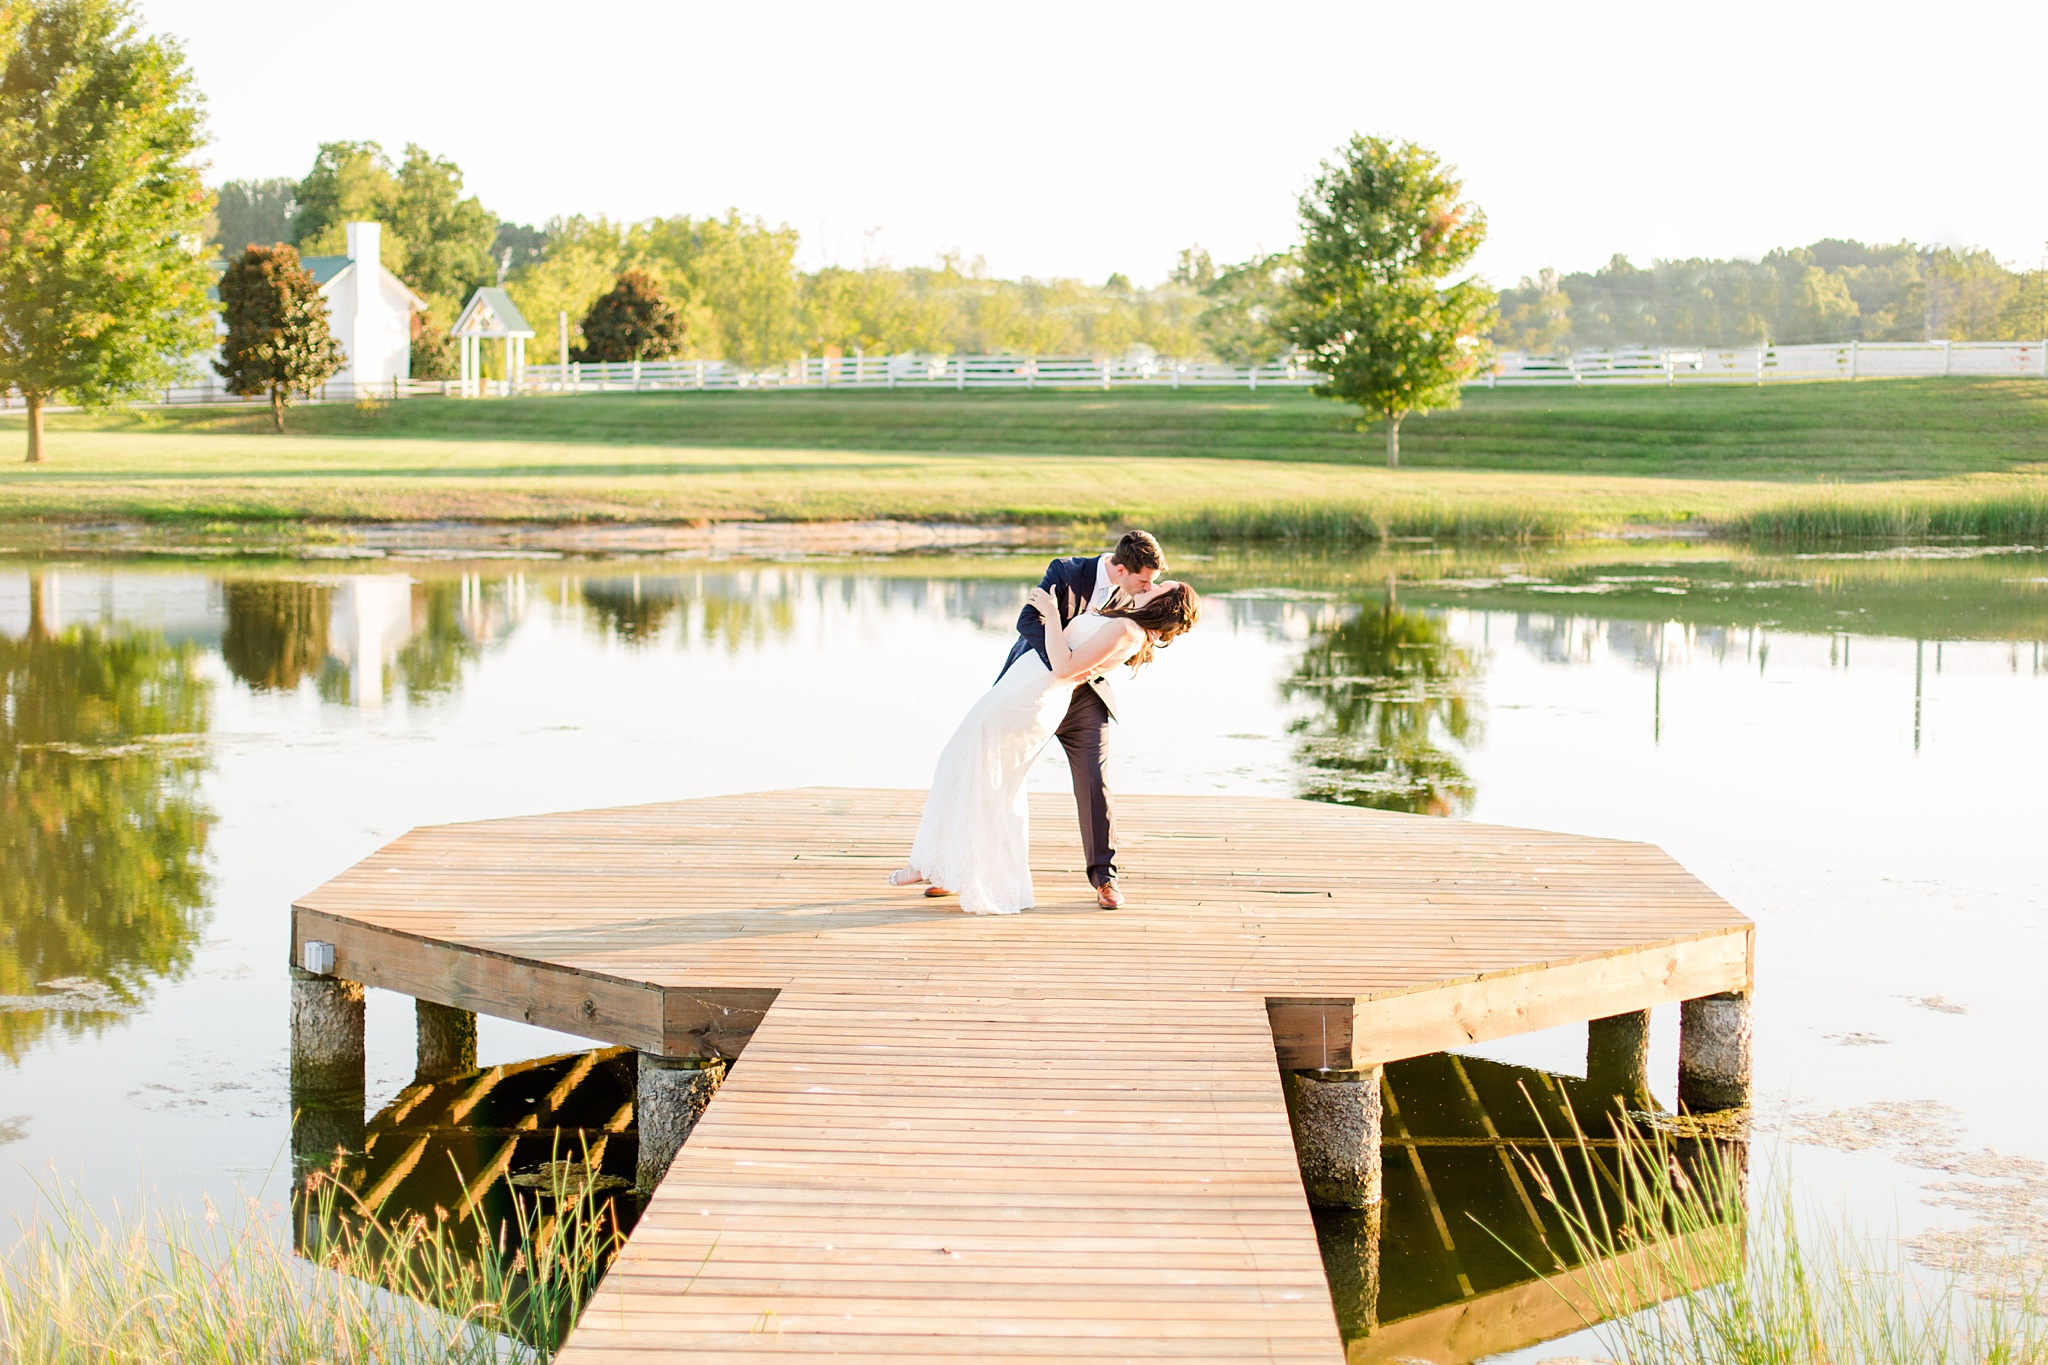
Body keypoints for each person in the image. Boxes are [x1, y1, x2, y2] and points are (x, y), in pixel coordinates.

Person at [887, 531, 1201, 915]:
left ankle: (1105, 878)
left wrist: (1066, 663)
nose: (1147, 585)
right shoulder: (1067, 572)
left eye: (1154, 583)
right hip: (1034, 684)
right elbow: (1026, 622)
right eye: (1144, 579)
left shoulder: (1134, 601)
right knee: (990, 775)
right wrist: (1058, 659)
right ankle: (954, 868)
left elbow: (1108, 648)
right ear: (1121, 569)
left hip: (1082, 692)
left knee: (1091, 782)